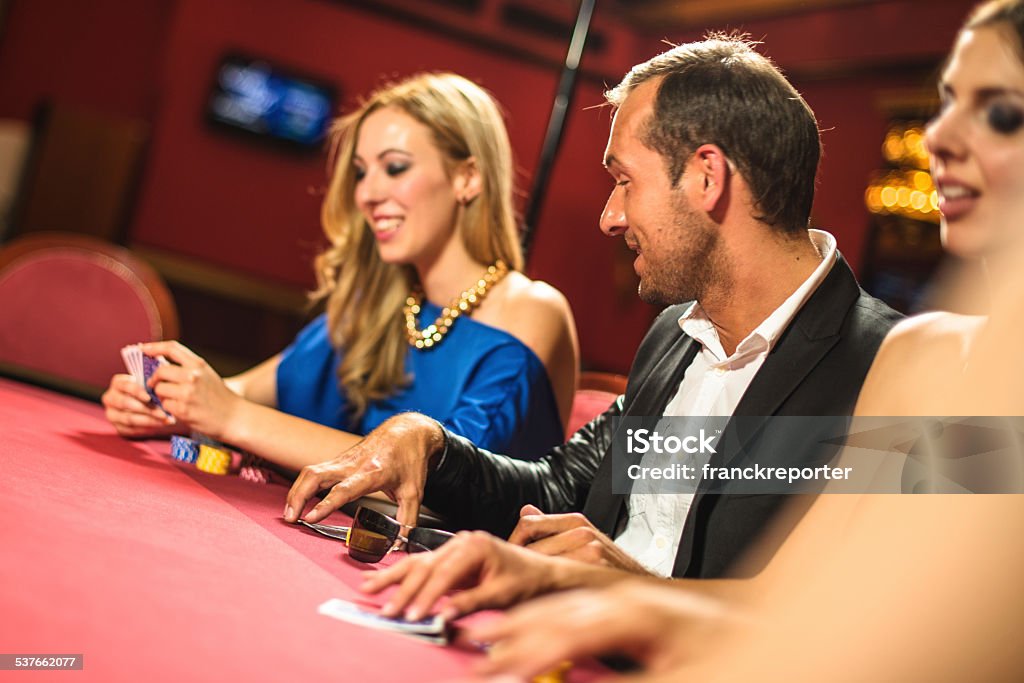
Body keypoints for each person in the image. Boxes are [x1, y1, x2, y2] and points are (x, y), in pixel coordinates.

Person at [428, 2, 1024, 680]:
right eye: (947, 104)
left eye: (1001, 112)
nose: (936, 135)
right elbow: (789, 610)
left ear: (708, 178)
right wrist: (434, 447)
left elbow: (887, 645)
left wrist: (617, 590)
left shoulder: (886, 357)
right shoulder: (929, 352)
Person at [284, 34, 902, 575]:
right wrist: (429, 441)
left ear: (707, 178)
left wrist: (634, 591)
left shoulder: (892, 368)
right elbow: (559, 489)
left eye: (624, 179)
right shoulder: (676, 336)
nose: (609, 216)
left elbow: (878, 622)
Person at [100, 72, 579, 471]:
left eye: (394, 168)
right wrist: (170, 402)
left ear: (467, 178)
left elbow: (436, 477)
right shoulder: (383, 302)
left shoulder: (531, 309)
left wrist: (230, 417)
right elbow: (248, 391)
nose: (367, 194)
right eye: (360, 172)